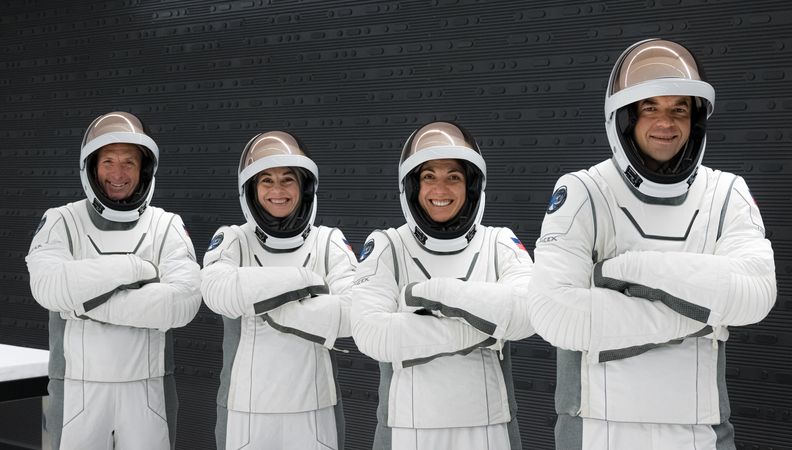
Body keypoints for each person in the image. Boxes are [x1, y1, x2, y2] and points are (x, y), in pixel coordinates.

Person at [527, 38, 777, 449]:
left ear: (695, 119)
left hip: (702, 433)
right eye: (650, 108)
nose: (667, 122)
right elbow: (555, 313)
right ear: (624, 118)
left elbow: (756, 293)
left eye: (679, 108)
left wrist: (624, 272)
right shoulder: (583, 191)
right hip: (595, 432)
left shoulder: (727, 192)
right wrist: (704, 313)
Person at [350, 121, 535, 450]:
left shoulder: (499, 241)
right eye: (428, 177)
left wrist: (437, 298)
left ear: (471, 186)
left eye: (454, 177)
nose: (441, 189)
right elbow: (371, 333)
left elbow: (529, 311)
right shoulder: (386, 246)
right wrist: (486, 328)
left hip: (489, 429)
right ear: (412, 187)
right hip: (408, 431)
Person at [26, 111, 202, 450]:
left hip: (149, 390)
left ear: (145, 170)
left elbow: (182, 303)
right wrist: (138, 269)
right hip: (76, 388)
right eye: (108, 161)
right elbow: (48, 287)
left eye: (129, 163)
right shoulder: (61, 220)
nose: (118, 174)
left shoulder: (166, 225)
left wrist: (82, 305)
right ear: (91, 167)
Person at [201, 131, 357, 450]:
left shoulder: (328, 241)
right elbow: (217, 292)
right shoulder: (233, 239)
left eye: (288, 180)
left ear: (304, 187)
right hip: (244, 411)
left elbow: (353, 314)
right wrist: (305, 282)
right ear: (251, 190)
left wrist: (259, 298)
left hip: (315, 411)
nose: (278, 191)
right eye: (266, 181)